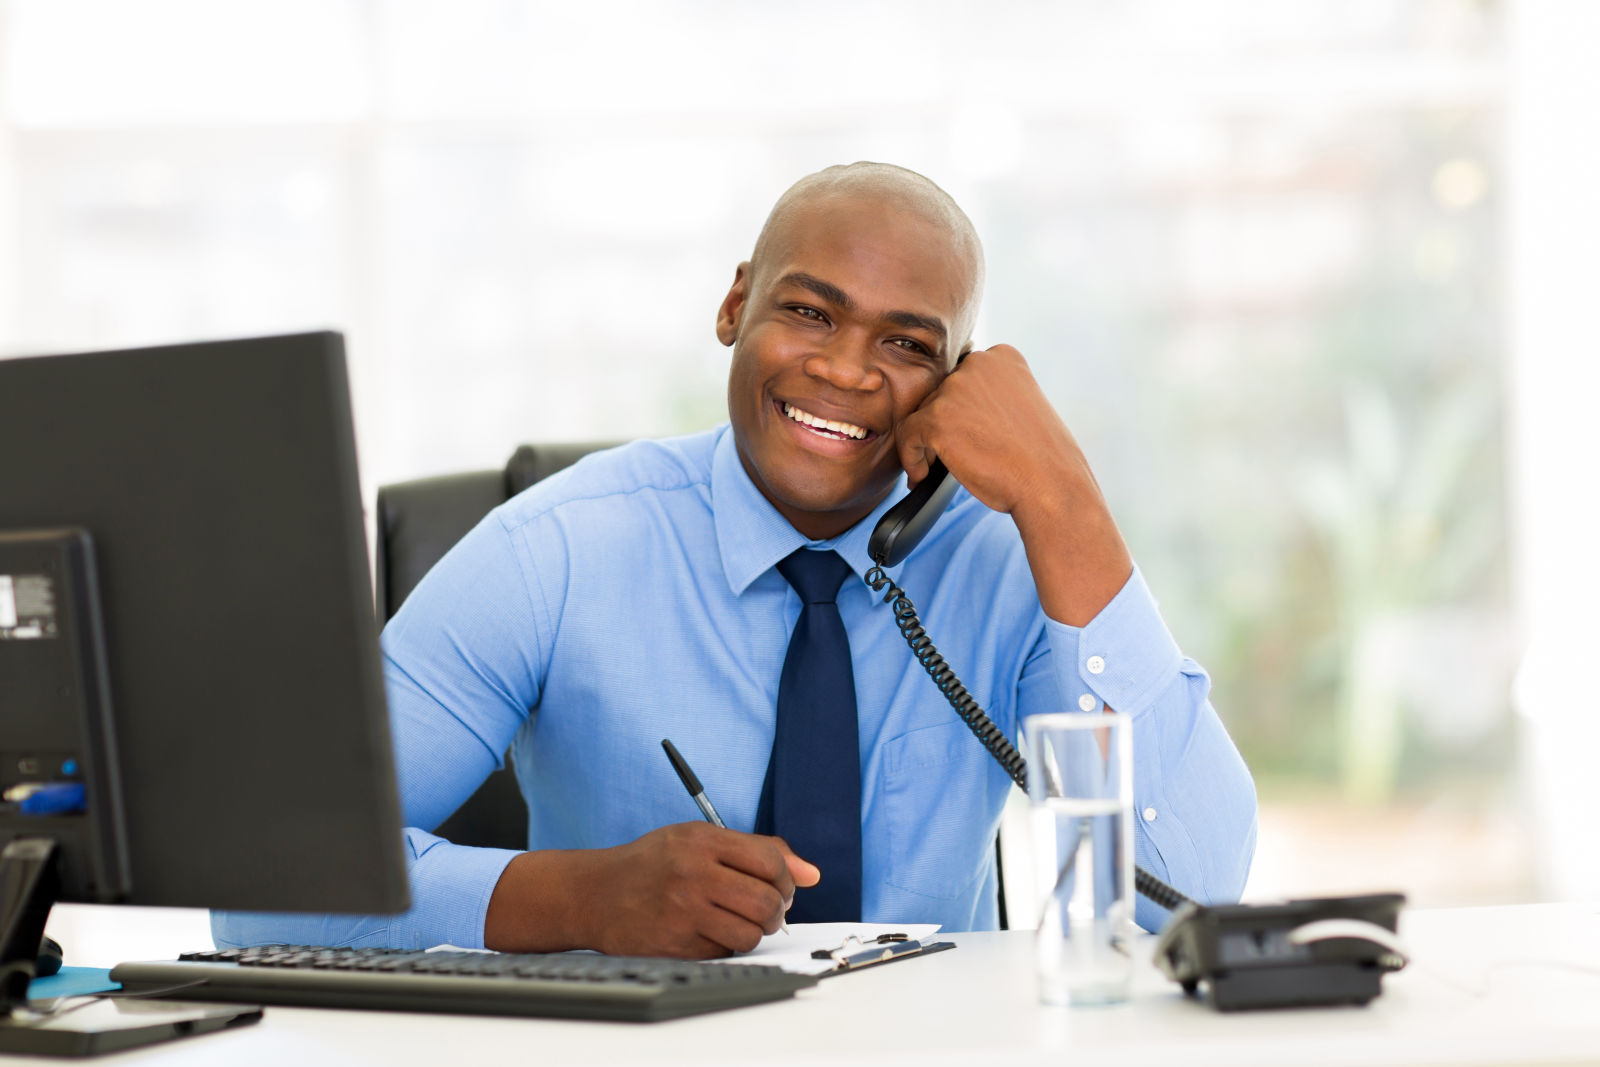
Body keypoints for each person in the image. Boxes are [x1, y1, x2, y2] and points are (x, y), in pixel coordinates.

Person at [215, 162, 1256, 958]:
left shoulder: (1007, 561)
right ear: (733, 308)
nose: (844, 369)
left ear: (956, 382)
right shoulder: (557, 547)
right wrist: (579, 898)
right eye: (808, 311)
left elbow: (1193, 892)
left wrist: (1064, 502)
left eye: (906, 344)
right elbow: (261, 884)